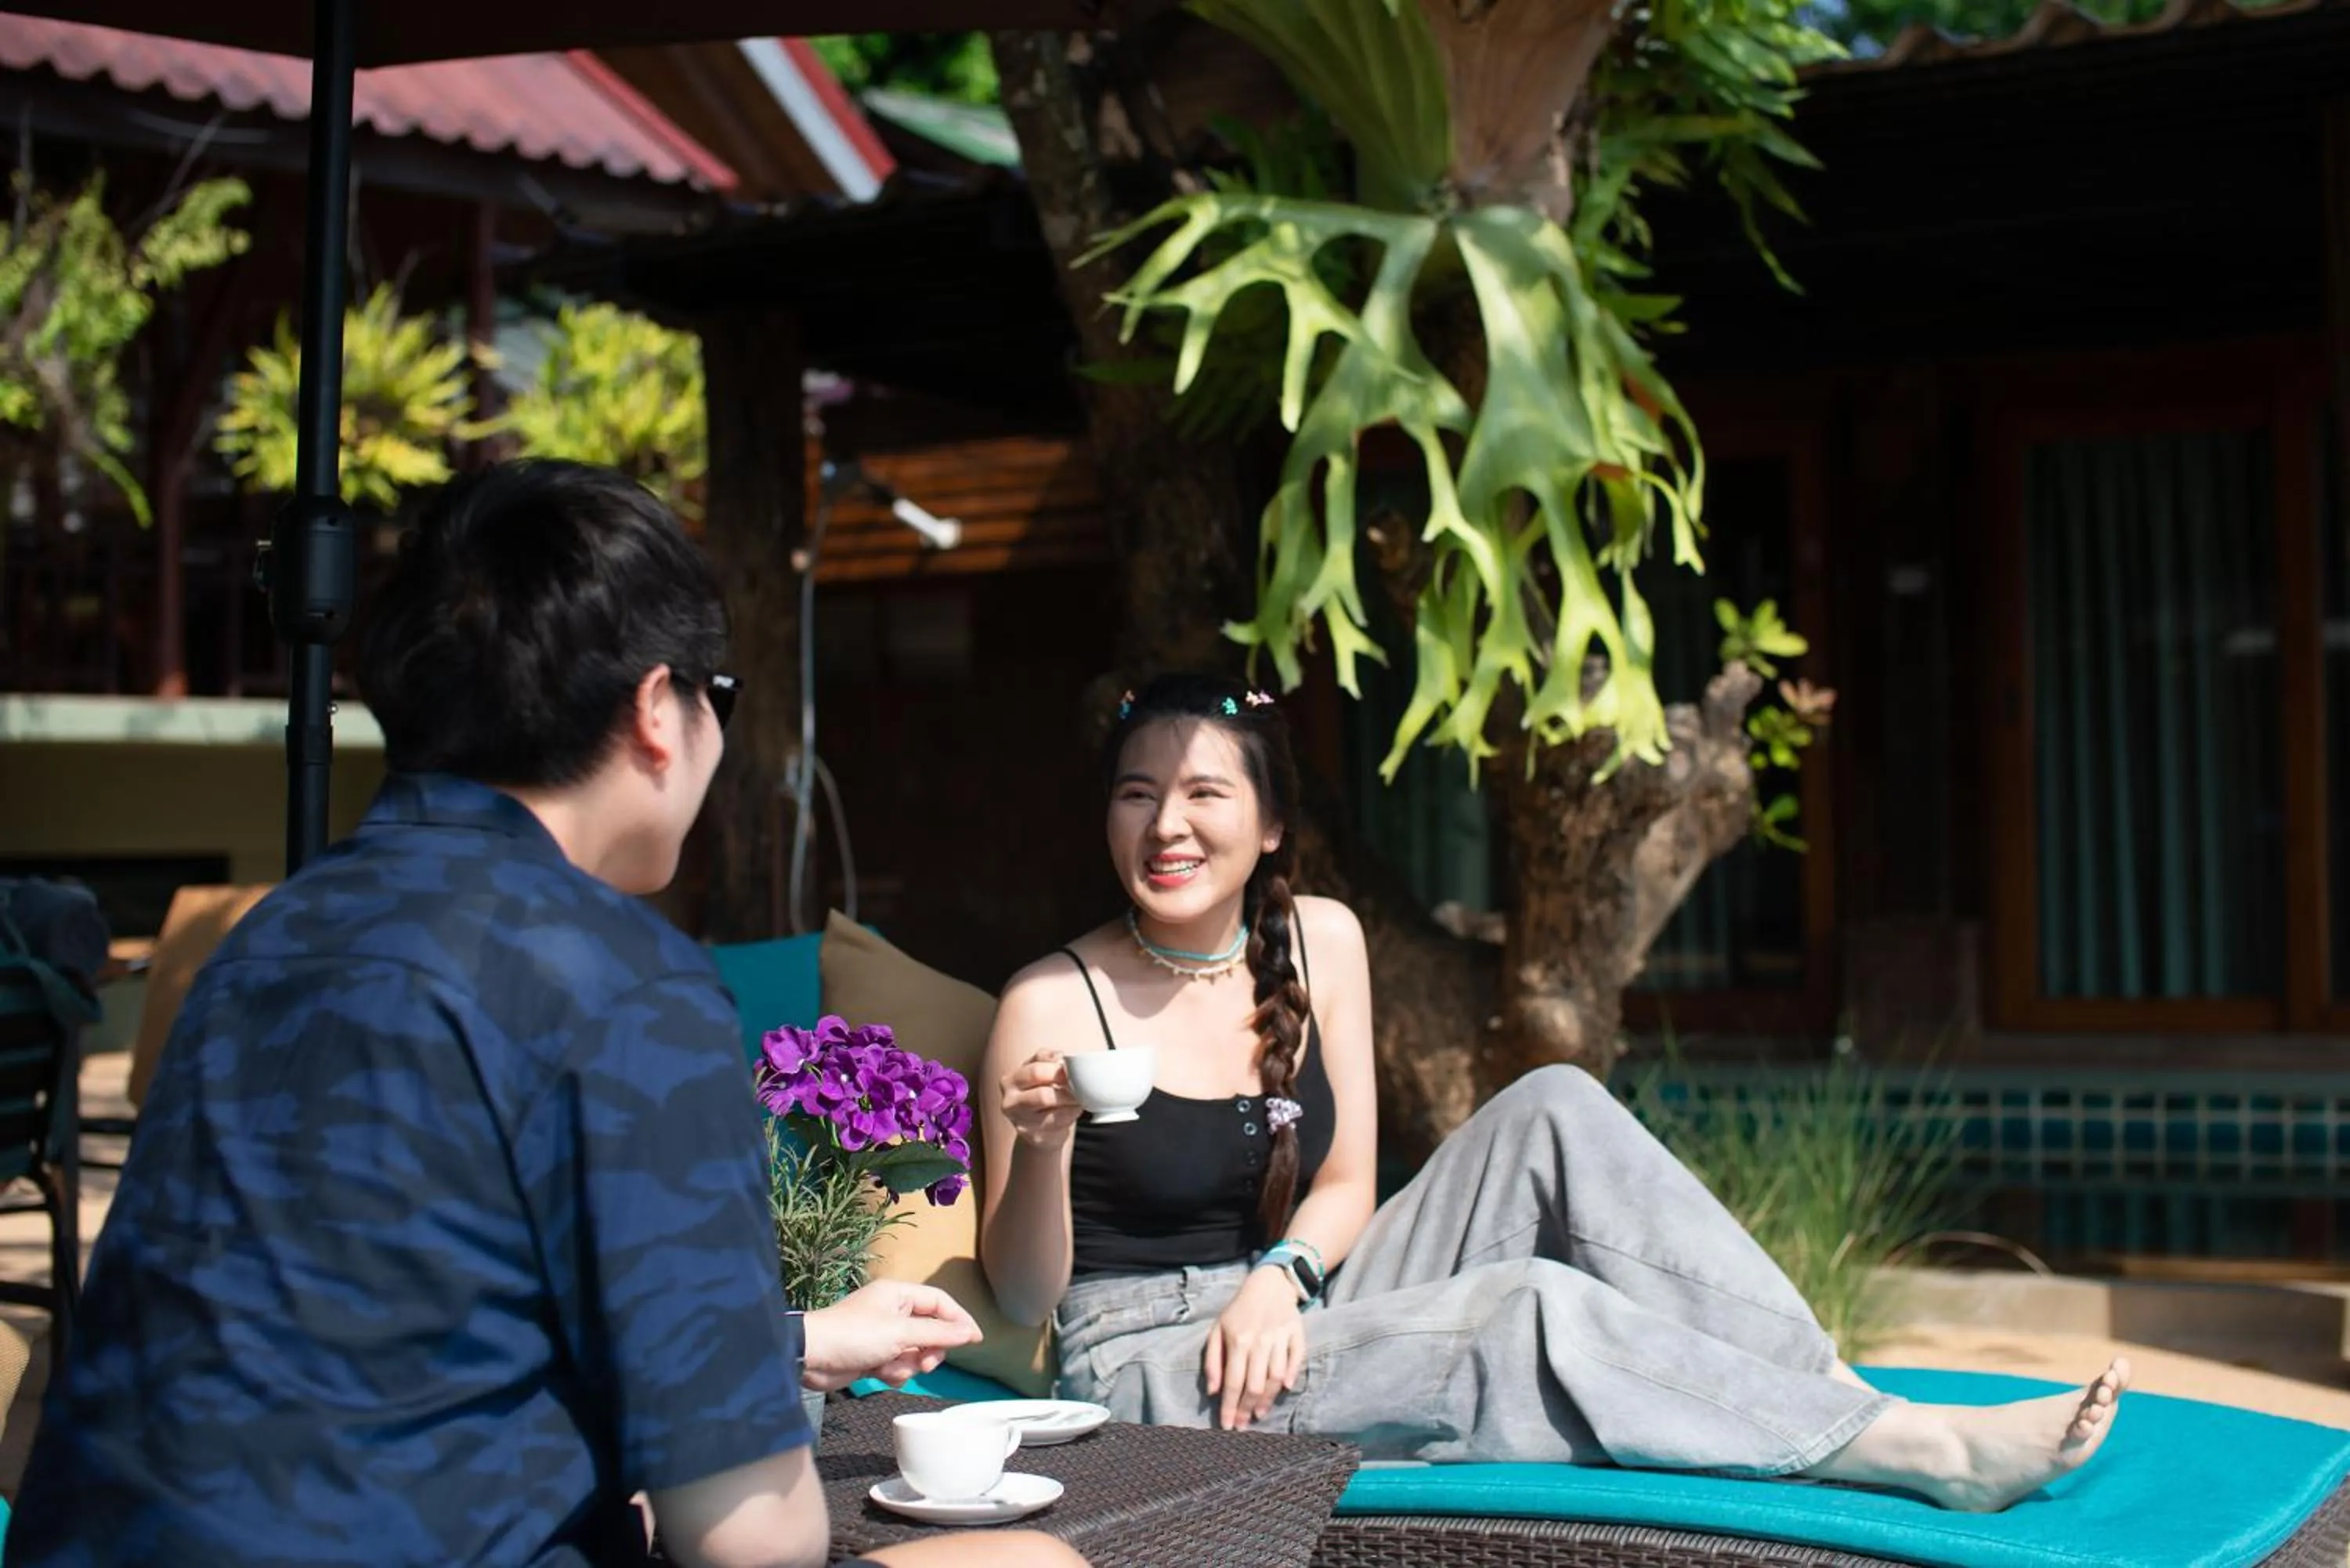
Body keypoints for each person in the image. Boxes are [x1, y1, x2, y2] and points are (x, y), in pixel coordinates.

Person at [12, 462, 1083, 1568]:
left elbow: (383, 1327)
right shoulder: (624, 982)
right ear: (657, 710)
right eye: (719, 696)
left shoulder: (265, 942)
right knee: (1028, 1562)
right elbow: (753, 1539)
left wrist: (788, 1342)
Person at [979, 671, 2129, 1514]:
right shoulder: (1047, 999)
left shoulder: (1321, 938)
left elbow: (1346, 1183)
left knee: (1555, 1106)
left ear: (1272, 824)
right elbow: (1027, 1295)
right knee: (1520, 1307)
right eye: (1137, 794)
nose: (1167, 825)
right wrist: (1043, 1145)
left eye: (1203, 793)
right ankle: (1925, 1456)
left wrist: (1282, 1278)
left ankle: (1837, 1391)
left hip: (1288, 1303)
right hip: (1157, 1368)